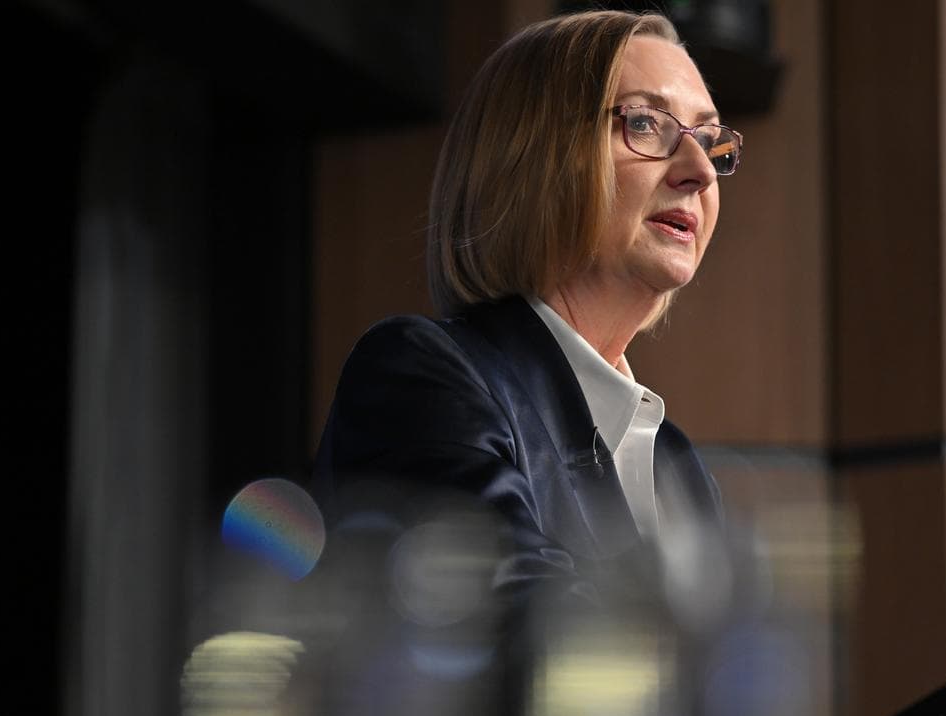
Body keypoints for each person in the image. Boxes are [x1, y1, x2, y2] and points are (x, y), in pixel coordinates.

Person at [315, 8, 742, 629]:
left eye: (711, 141)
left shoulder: (676, 464)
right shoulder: (419, 376)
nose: (700, 171)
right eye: (645, 124)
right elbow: (519, 636)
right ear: (533, 157)